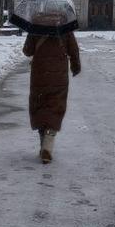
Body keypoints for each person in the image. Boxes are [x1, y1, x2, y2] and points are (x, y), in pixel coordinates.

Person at [22, 30, 81, 164]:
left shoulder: (36, 24)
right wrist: (76, 66)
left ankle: (43, 140)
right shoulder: (65, 25)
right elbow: (73, 49)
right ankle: (48, 142)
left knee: (40, 105)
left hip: (39, 73)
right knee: (56, 105)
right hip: (58, 73)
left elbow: (27, 50)